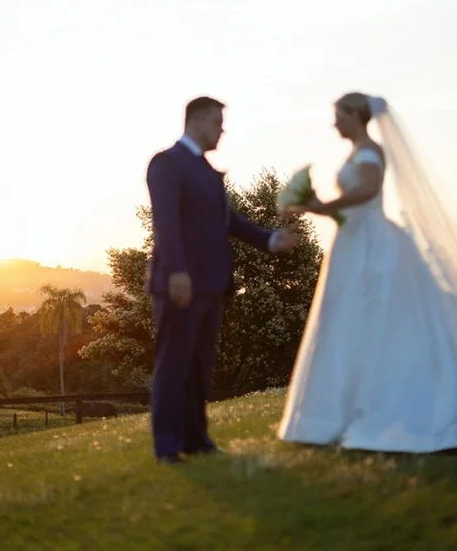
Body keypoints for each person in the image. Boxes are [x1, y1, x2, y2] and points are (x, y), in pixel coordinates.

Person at [278, 92, 457, 453]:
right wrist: (323, 209)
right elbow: (355, 200)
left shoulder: (370, 151)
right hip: (353, 239)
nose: (335, 123)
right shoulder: (357, 151)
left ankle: (383, 407)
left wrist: (323, 205)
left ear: (354, 116)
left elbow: (369, 190)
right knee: (347, 319)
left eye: (339, 115)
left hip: (373, 243)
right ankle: (344, 410)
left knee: (376, 317)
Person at [146, 96, 300, 464]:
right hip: (180, 283)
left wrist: (271, 240)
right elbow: (165, 222)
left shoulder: (207, 171)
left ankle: (196, 439)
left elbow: (229, 221)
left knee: (199, 367)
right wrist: (178, 272)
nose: (222, 130)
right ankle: (167, 446)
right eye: (217, 122)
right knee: (174, 365)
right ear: (197, 121)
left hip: (212, 283)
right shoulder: (166, 164)